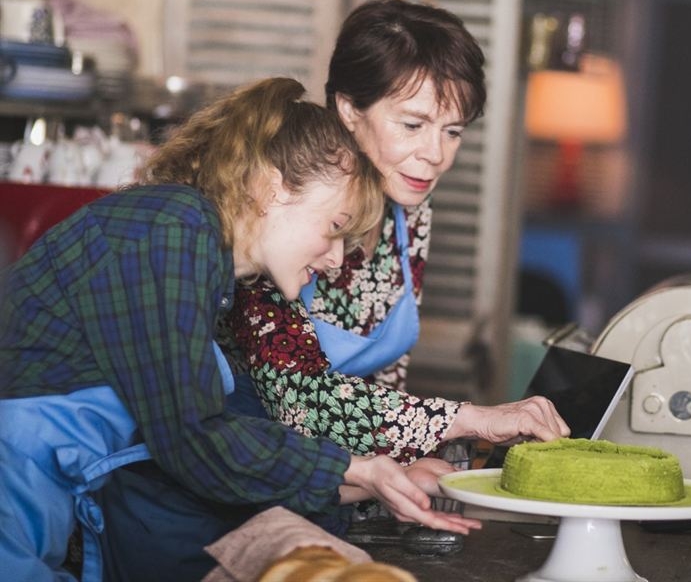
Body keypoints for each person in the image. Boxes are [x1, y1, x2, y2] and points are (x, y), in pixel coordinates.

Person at [0, 77, 480, 582]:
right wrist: (356, 469)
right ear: (275, 189)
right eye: (335, 227)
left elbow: (211, 436)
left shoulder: (204, 258)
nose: (336, 259)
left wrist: (374, 477)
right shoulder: (173, 226)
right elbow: (193, 437)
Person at [224, 0, 570, 464]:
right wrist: (467, 418)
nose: (436, 155)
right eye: (412, 124)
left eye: (453, 131)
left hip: (340, 471)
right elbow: (298, 396)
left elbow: (387, 376)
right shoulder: (290, 195)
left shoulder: (411, 208)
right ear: (349, 109)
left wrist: (406, 463)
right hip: (252, 463)